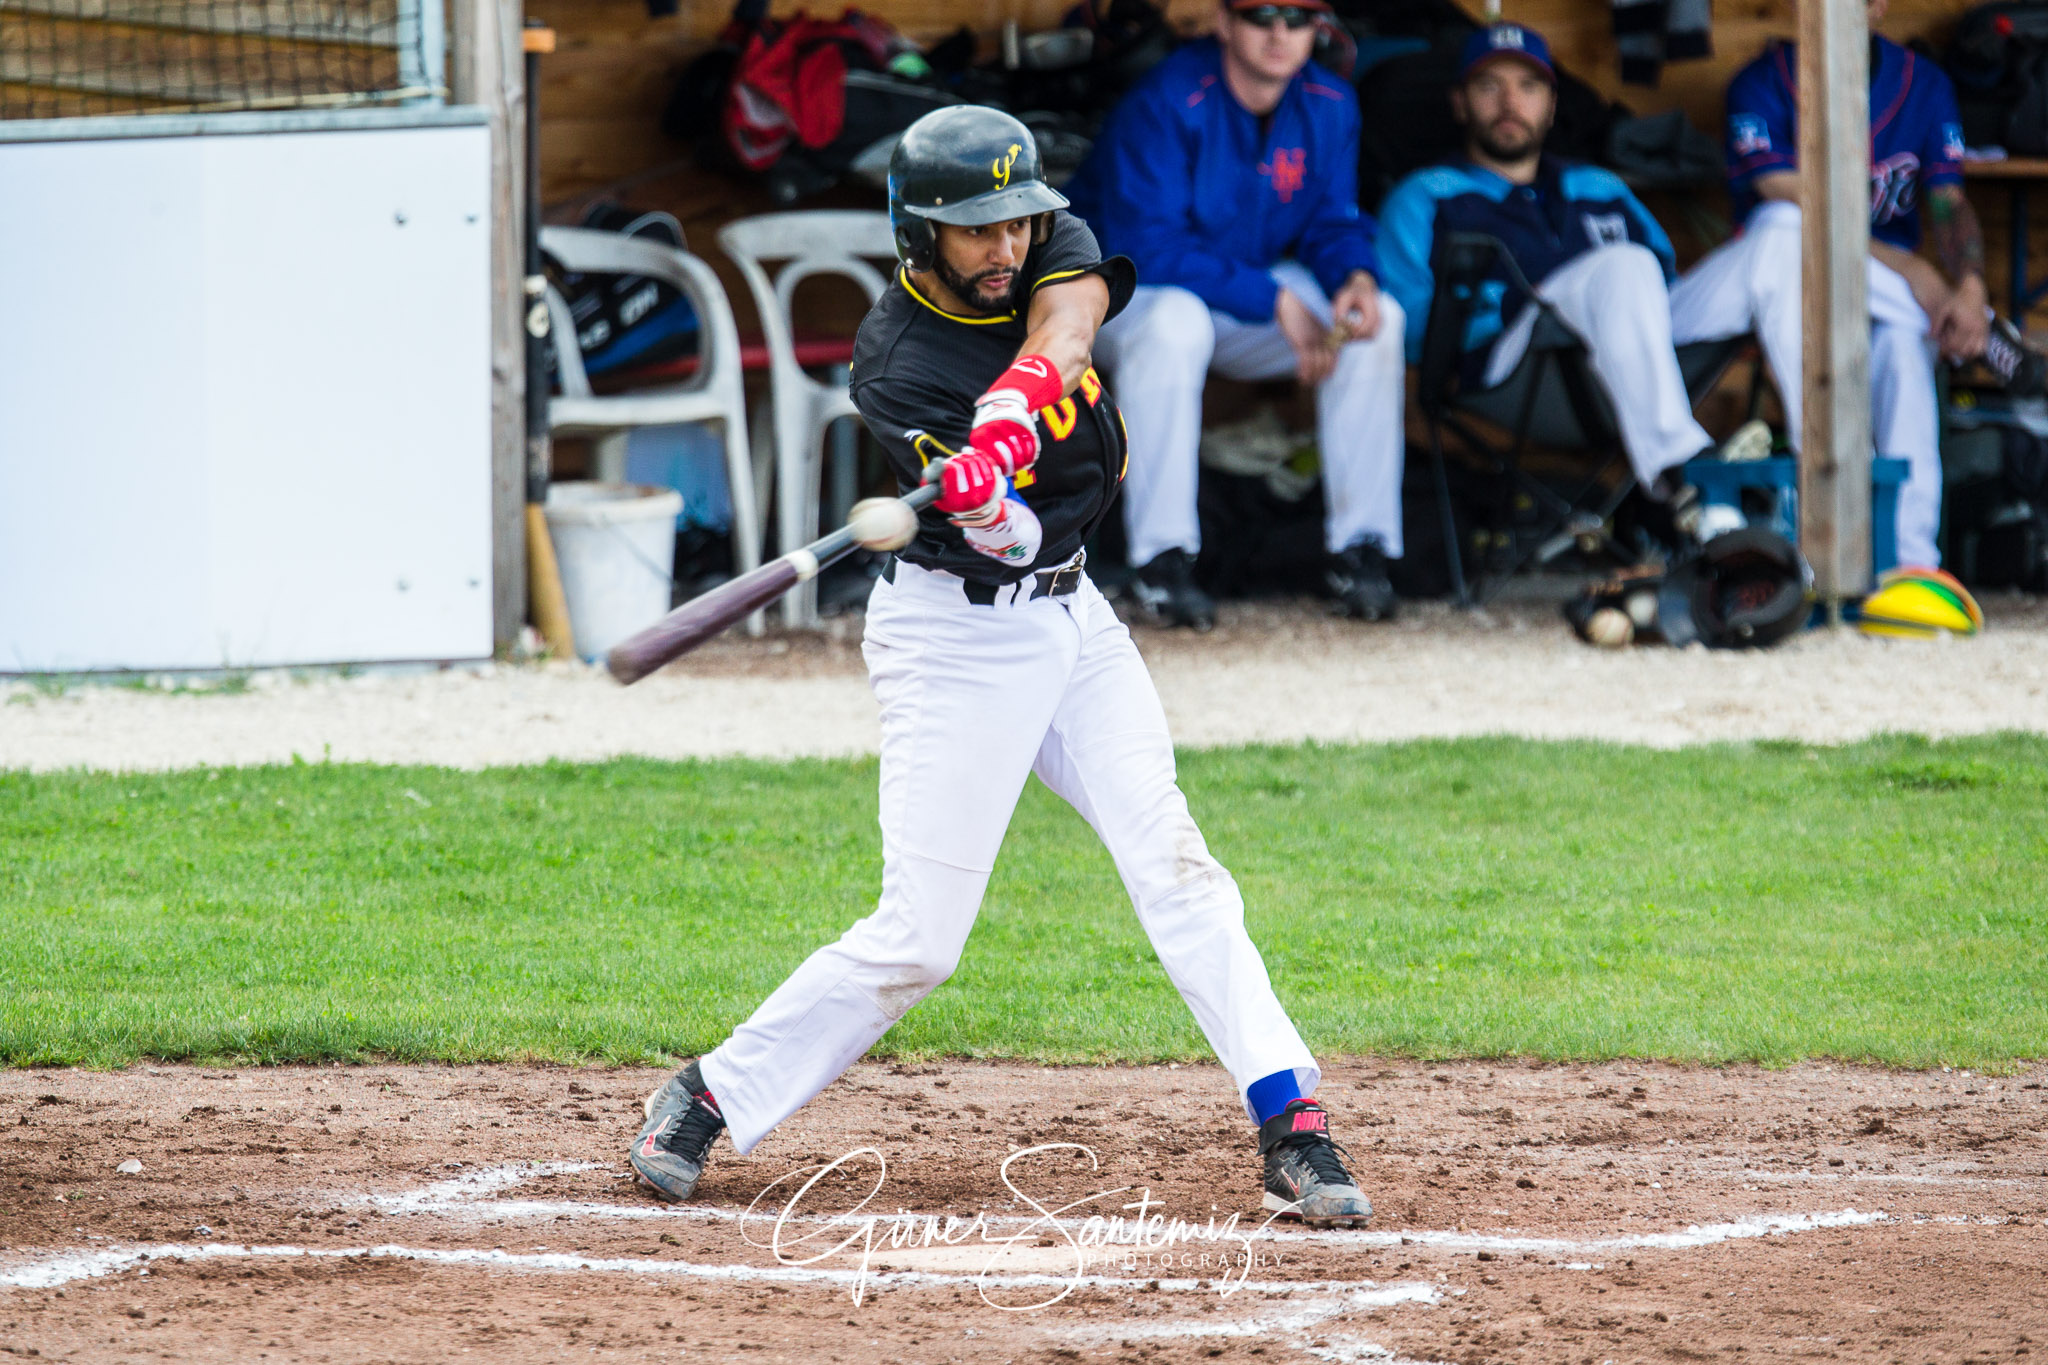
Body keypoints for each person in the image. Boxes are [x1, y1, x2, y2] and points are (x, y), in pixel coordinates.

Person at [627, 106, 1373, 1230]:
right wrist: (983, 499)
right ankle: (709, 1092)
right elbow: (1010, 540)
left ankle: (1292, 1123)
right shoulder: (893, 365)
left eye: (1013, 225)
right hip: (956, 640)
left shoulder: (1045, 243)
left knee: (1175, 865)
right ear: (917, 234)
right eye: (974, 233)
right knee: (920, 941)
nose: (1004, 250)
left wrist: (1011, 414)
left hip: (1077, 622)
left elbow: (1068, 327)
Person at [1062, 0, 1407, 629]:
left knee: (1375, 319)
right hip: (1121, 299)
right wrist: (1272, 300)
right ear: (1224, 22)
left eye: (1298, 18)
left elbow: (1333, 221)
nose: (1279, 32)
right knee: (1175, 326)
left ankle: (1362, 550)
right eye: (1260, 14)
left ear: (1317, 30)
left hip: (1232, 294)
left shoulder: (1330, 102)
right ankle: (1162, 560)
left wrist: (1353, 276)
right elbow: (1148, 248)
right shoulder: (1166, 97)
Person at [1667, 0, 2011, 568]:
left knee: (1903, 349)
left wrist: (1970, 286)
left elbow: (1949, 202)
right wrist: (1917, 276)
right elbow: (1794, 198)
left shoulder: (1922, 84)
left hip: (1873, 304)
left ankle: (1910, 563)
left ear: (1878, 6)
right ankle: (1969, 335)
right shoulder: (1760, 83)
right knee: (1784, 228)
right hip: (1773, 283)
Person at [1377, 23, 1720, 525]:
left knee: (1780, 239)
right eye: (1489, 86)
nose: (1510, 102)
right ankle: (1679, 472)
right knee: (1625, 264)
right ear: (1459, 102)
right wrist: (1521, 306)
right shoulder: (1425, 196)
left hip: (1629, 370)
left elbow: (1668, 285)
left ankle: (1817, 484)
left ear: (1552, 104)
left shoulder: (1600, 186)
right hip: (1508, 375)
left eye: (1528, 86)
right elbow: (1406, 328)